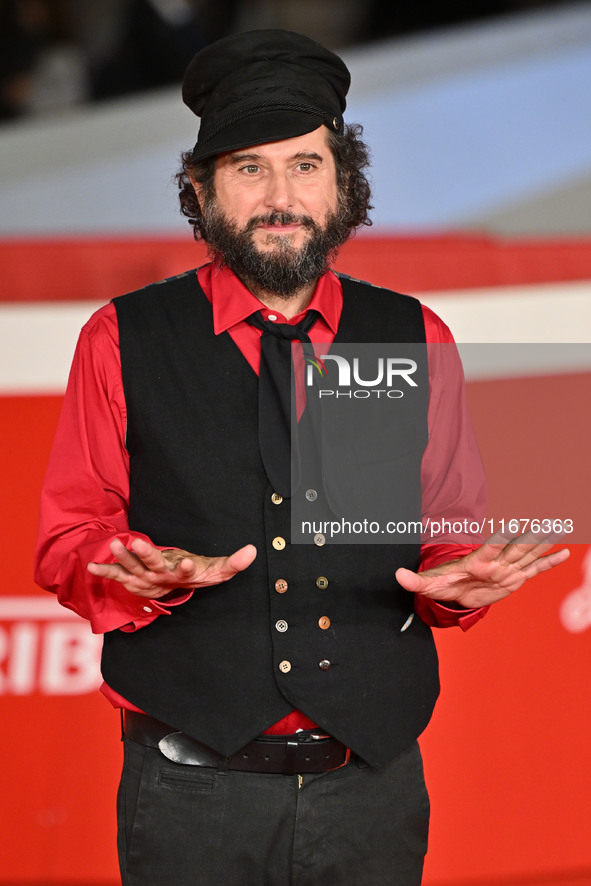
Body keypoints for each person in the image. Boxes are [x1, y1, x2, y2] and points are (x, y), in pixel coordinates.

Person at [34, 29, 569, 886]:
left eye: (305, 165)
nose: (280, 195)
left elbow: (445, 529)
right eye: (249, 169)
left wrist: (459, 579)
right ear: (201, 191)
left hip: (371, 793)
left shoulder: (412, 335)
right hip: (190, 795)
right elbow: (68, 540)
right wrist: (128, 567)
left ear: (343, 184)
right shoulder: (121, 338)